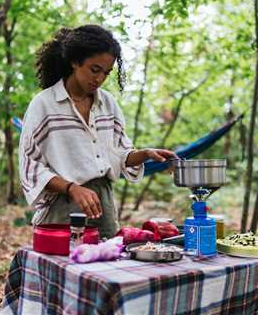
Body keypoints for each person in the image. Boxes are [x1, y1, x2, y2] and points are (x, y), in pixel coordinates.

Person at [19, 25, 176, 238]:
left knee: (108, 266)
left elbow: (119, 155)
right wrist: (72, 188)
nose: (100, 79)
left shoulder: (108, 105)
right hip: (62, 210)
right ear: (75, 62)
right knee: (66, 269)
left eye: (107, 73)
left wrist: (146, 154)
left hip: (104, 207)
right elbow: (31, 167)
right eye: (95, 69)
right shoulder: (44, 105)